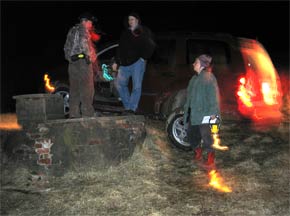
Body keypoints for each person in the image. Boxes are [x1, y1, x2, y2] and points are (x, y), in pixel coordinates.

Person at [112, 12, 156, 115]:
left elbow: (151, 45)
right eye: (129, 20)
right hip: (124, 64)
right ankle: (128, 108)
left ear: (137, 20)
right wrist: (116, 61)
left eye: (132, 19)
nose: (130, 21)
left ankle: (132, 108)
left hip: (137, 63)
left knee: (136, 86)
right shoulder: (125, 33)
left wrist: (143, 58)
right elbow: (120, 48)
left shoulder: (143, 31)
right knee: (120, 84)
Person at [183, 54, 221, 169]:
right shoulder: (193, 79)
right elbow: (189, 96)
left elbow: (214, 96)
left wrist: (213, 113)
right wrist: (186, 109)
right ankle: (197, 151)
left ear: (201, 65)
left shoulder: (209, 77)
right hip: (194, 113)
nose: (193, 64)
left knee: (207, 136)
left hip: (206, 114)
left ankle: (210, 156)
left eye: (196, 62)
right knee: (191, 134)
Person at [64, 12, 101, 118]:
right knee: (87, 88)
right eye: (90, 22)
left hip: (72, 63)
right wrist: (91, 58)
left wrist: (70, 58)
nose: (91, 25)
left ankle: (73, 113)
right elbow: (85, 47)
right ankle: (87, 113)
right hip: (83, 63)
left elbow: (66, 47)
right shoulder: (83, 30)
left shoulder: (72, 30)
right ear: (85, 21)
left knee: (74, 88)